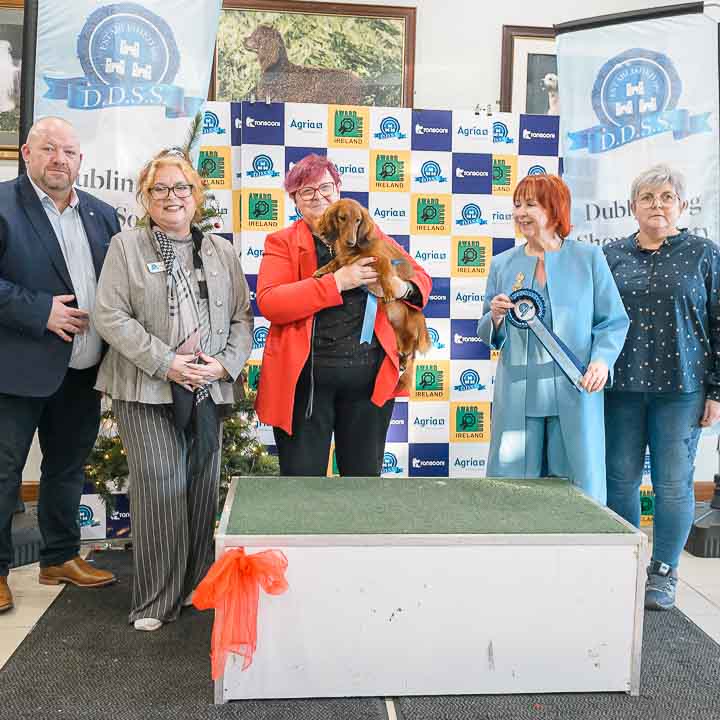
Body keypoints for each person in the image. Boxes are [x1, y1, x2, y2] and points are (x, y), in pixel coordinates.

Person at [93, 150, 253, 631]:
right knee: (162, 484)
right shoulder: (126, 246)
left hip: (207, 387)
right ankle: (154, 601)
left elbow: (242, 318)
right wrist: (168, 364)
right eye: (159, 188)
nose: (171, 197)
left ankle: (195, 586)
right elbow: (109, 315)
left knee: (202, 487)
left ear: (195, 195)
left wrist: (223, 365)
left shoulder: (221, 251)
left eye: (181, 187)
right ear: (145, 197)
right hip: (146, 387)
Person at [0, 117, 120, 613]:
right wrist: (40, 311)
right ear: (26, 153)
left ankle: (59, 557)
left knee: (67, 467)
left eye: (68, 152)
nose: (59, 160)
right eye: (49, 149)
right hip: (16, 371)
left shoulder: (102, 215)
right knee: (3, 471)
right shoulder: (3, 205)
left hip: (82, 369)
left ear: (80, 161)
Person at [254, 154, 431, 475]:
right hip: (306, 385)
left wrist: (399, 287)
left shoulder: (370, 235)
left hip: (368, 384)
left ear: (338, 189)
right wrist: (336, 282)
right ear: (295, 200)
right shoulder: (282, 242)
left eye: (325, 187)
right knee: (302, 487)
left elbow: (421, 279)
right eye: (306, 191)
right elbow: (271, 303)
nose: (318, 197)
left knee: (362, 487)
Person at [603, 164, 720, 611]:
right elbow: (597, 320)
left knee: (673, 484)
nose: (657, 205)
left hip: (682, 390)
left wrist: (716, 392)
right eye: (648, 198)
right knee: (620, 480)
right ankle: (625, 565)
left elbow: (719, 323)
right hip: (621, 388)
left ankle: (664, 571)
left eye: (667, 197)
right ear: (632, 206)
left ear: (682, 205)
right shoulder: (611, 256)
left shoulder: (704, 254)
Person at [477, 174, 629, 502]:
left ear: (554, 209)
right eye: (517, 204)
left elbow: (613, 321)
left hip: (575, 387)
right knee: (512, 489)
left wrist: (602, 361)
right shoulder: (502, 264)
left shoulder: (589, 258)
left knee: (578, 488)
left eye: (530, 204)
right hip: (518, 391)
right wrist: (496, 317)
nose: (520, 212)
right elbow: (488, 331)